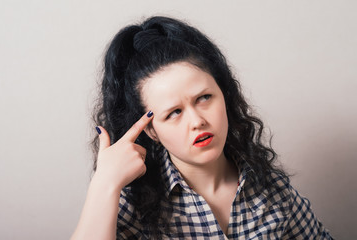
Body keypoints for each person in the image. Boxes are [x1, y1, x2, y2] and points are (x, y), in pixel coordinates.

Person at [71, 16, 333, 240]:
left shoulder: (272, 189)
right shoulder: (129, 204)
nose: (197, 121)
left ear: (224, 95)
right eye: (174, 113)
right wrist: (104, 182)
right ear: (151, 130)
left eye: (204, 98)